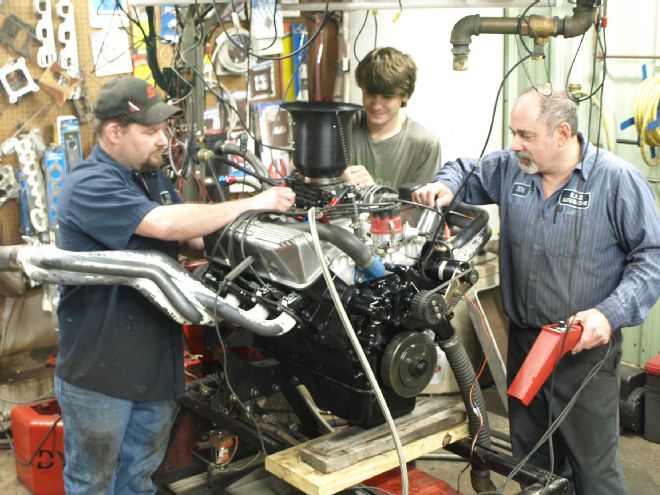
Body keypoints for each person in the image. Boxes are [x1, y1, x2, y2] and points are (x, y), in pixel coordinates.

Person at [412, 84, 660, 495]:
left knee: (592, 470)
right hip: (527, 343)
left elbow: (651, 258)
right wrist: (445, 186)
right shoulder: (513, 168)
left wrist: (609, 314)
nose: (514, 145)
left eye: (525, 135)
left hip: (584, 352)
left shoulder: (617, 181)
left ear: (563, 134)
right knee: (531, 464)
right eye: (513, 133)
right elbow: (462, 167)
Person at [54, 77, 295, 494]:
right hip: (101, 373)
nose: (163, 140)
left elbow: (188, 238)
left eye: (164, 130)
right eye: (150, 132)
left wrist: (257, 231)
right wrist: (255, 201)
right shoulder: (89, 184)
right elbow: (162, 224)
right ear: (115, 132)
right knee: (93, 483)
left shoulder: (151, 178)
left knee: (140, 478)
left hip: (155, 365)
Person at [342, 47, 441, 189]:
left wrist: (374, 194)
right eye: (370, 94)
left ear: (405, 95)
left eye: (387, 97)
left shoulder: (425, 144)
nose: (376, 105)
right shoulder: (342, 125)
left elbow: (420, 209)